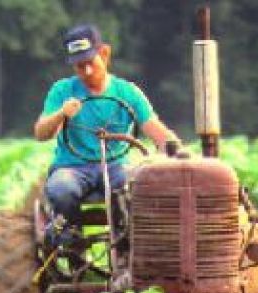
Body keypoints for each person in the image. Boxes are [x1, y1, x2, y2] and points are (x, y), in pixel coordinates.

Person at [33, 24, 179, 237]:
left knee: (135, 187)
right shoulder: (62, 90)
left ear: (105, 53)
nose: (87, 72)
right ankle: (72, 242)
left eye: (90, 63)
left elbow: (156, 131)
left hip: (115, 166)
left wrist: (180, 154)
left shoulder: (127, 92)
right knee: (61, 189)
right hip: (72, 168)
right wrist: (61, 115)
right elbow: (41, 133)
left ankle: (127, 241)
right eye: (79, 66)